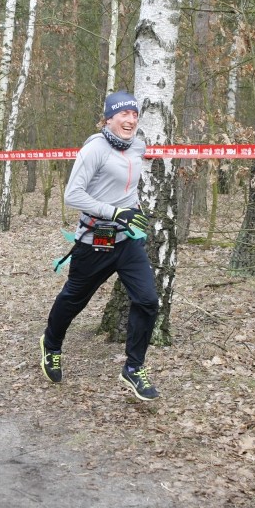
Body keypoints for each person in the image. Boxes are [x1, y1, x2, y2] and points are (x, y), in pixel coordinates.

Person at [39, 90, 160, 400]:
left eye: (134, 114)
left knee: (147, 300)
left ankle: (133, 368)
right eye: (124, 114)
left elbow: (130, 181)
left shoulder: (138, 147)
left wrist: (132, 209)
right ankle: (51, 344)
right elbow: (72, 196)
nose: (131, 119)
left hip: (127, 240)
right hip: (95, 240)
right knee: (74, 299)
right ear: (109, 118)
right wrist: (114, 211)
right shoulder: (94, 149)